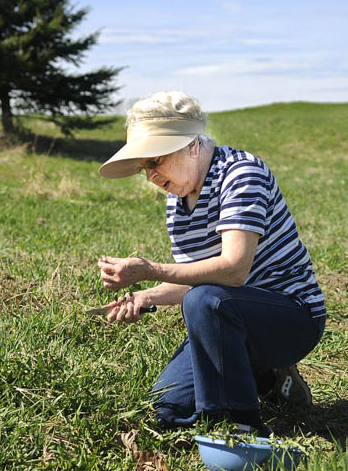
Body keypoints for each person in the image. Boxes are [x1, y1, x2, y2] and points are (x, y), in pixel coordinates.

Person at [97, 91, 326, 435]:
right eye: (144, 168)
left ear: (191, 145)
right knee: (167, 408)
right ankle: (267, 380)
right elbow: (196, 277)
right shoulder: (177, 200)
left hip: (291, 317)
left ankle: (238, 426)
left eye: (155, 161)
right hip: (224, 319)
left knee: (206, 301)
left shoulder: (241, 173)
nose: (151, 177)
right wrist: (146, 297)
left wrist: (150, 270)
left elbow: (232, 270)